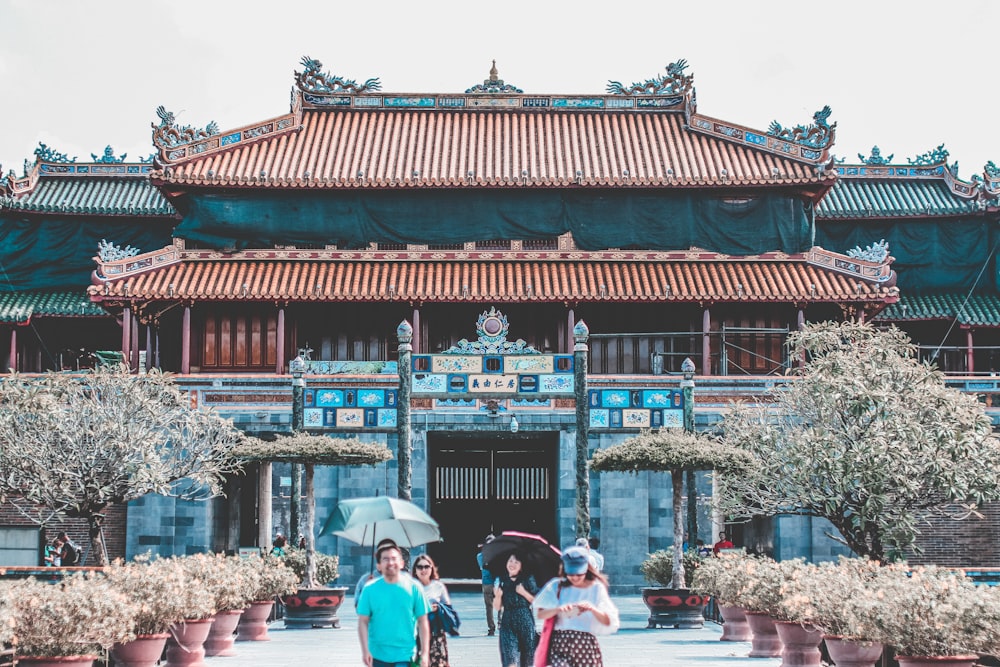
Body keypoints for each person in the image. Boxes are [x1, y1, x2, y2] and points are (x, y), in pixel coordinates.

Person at [533, 546, 620, 667]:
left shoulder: (596, 588)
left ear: (586, 570)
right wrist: (558, 609)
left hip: (585, 643)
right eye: (570, 574)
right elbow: (540, 613)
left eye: (579, 574)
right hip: (560, 642)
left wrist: (592, 608)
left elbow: (607, 621)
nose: (574, 578)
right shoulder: (556, 586)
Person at [357, 541, 430, 667]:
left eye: (394, 558)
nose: (390, 563)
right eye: (385, 559)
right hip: (377, 654)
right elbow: (363, 621)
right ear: (379, 565)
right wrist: (365, 650)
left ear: (402, 563)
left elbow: (423, 621)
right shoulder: (369, 589)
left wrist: (424, 653)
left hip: (405, 655)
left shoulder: (414, 588)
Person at [494, 552, 539, 667]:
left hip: (525, 619)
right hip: (508, 620)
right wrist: (498, 596)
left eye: (516, 562)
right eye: (510, 561)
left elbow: (537, 601)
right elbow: (497, 607)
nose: (512, 564)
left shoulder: (528, 579)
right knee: (510, 659)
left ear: (521, 566)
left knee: (528, 658)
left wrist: (523, 592)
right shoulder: (502, 580)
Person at [413, 554, 453, 667]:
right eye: (420, 567)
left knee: (438, 661)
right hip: (417, 631)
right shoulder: (411, 587)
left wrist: (439, 607)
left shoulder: (438, 586)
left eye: (426, 566)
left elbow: (448, 608)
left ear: (432, 568)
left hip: (436, 631)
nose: (423, 570)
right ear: (415, 570)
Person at [476, 533, 497, 636]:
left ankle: (491, 627)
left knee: (489, 607)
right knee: (502, 604)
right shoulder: (498, 554)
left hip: (487, 583)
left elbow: (482, 566)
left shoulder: (480, 555)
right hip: (496, 582)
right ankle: (500, 622)